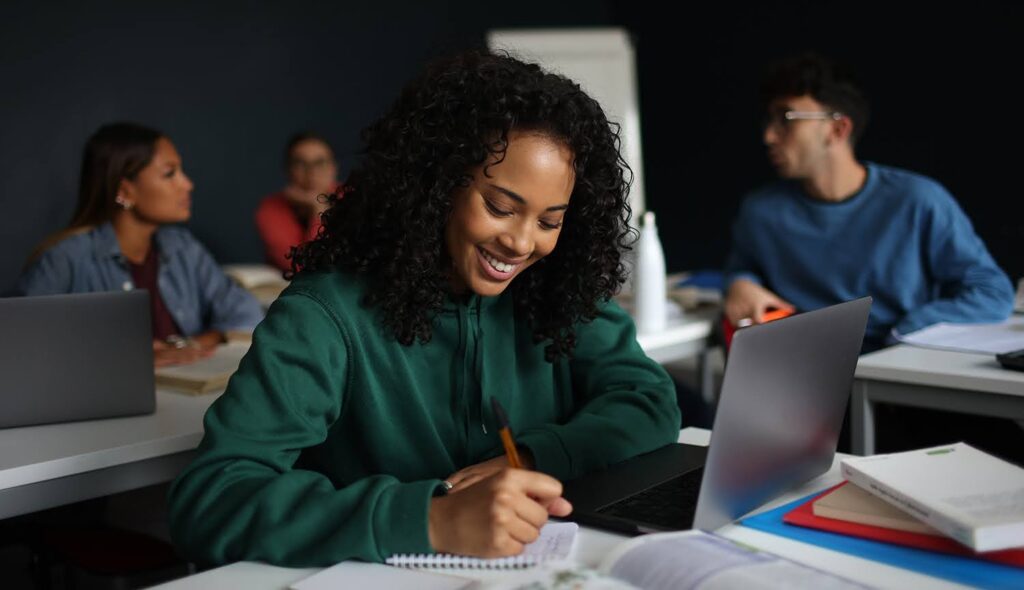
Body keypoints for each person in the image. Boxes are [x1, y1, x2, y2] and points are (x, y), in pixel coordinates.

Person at [167, 51, 680, 567]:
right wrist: (432, 519)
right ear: (437, 184)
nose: (522, 243)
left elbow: (650, 400)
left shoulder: (553, 289)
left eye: (550, 221)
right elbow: (210, 499)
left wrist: (527, 455)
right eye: (500, 207)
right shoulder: (324, 317)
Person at [723, 53, 1014, 352]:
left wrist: (906, 330)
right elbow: (743, 267)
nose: (769, 136)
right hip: (804, 367)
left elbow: (992, 292)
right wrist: (739, 283)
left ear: (837, 129)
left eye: (785, 119)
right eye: (768, 120)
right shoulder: (761, 212)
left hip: (899, 367)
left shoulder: (917, 201)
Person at [18, 122, 264, 367]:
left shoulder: (183, 247)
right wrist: (124, 356)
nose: (187, 184)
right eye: (170, 174)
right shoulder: (64, 259)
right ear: (125, 191)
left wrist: (191, 344)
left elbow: (247, 312)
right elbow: (21, 349)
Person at [255, 132, 341, 272]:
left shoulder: (352, 198)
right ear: (288, 170)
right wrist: (318, 209)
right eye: (301, 164)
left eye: (320, 163)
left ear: (333, 168)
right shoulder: (270, 209)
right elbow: (303, 266)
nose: (311, 172)